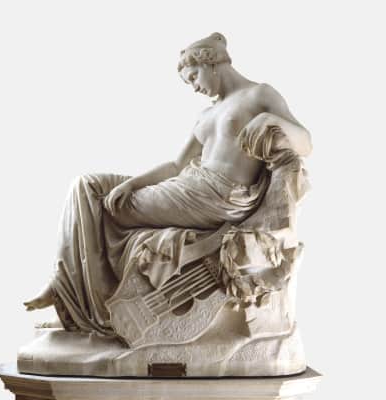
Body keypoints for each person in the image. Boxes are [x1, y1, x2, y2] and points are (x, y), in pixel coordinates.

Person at [24, 33, 312, 335]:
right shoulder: (208, 112)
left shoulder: (259, 94)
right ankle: (65, 288)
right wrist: (132, 184)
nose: (195, 87)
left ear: (211, 63)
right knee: (87, 185)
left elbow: (305, 142)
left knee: (99, 203)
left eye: (194, 77)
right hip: (189, 184)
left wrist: (271, 121)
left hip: (217, 196)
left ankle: (75, 300)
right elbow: (176, 165)